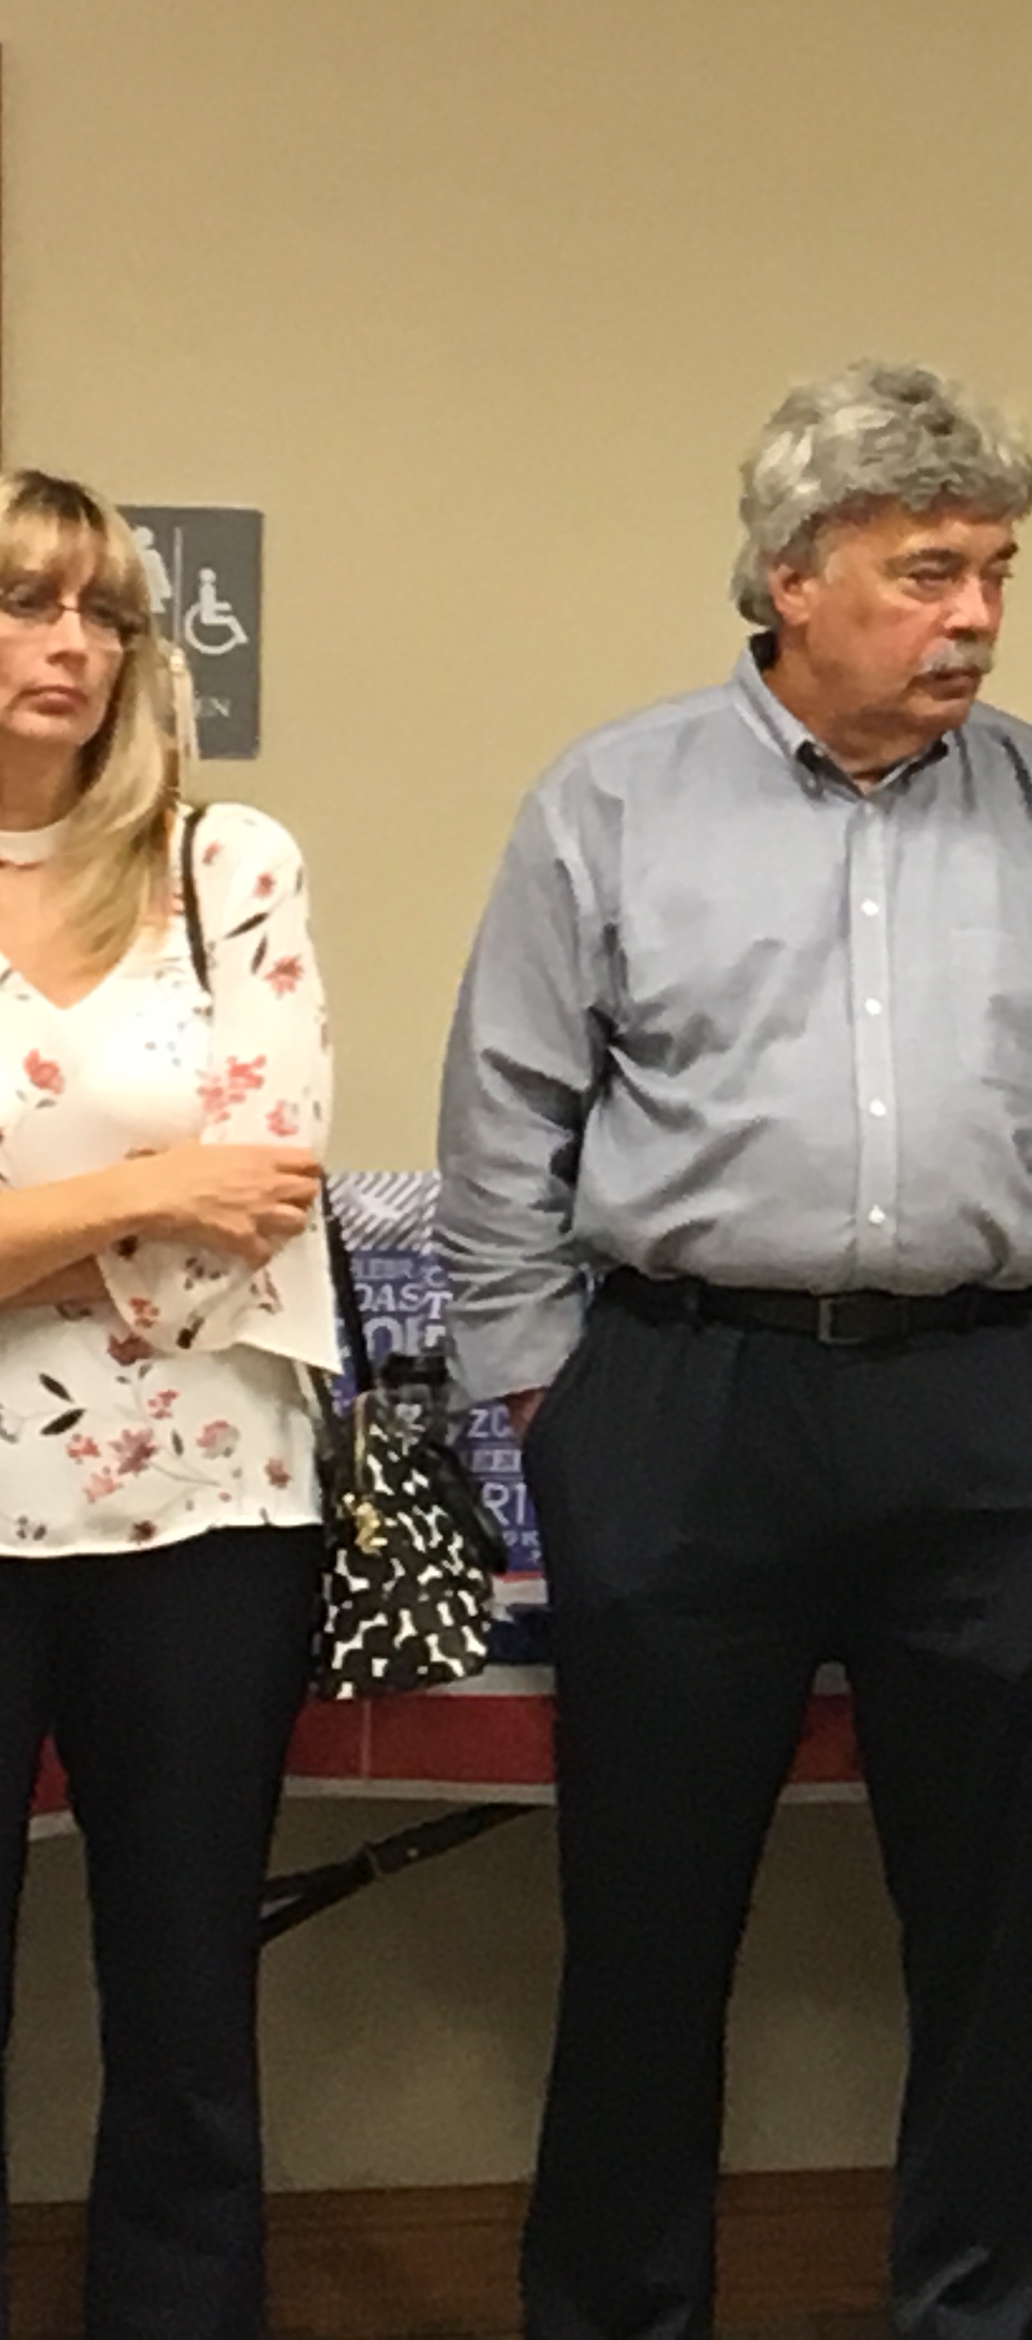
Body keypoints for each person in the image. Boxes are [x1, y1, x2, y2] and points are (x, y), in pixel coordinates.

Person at [439, 363, 1032, 2340]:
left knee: (996, 1935)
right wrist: (559, 1401)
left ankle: (989, 2317)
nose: (975, 617)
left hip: (989, 1409)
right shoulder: (612, 804)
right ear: (790, 577)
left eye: (995, 573)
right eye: (926, 570)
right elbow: (503, 1129)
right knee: (646, 1934)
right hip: (684, 1405)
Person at [0, 470, 333, 2340]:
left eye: (104, 614)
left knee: (190, 1996)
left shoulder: (229, 869)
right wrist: (137, 1188)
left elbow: (263, 1206)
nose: (72, 647)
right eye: (28, 605)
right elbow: (188, 1207)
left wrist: (28, 1229)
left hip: (206, 1512)